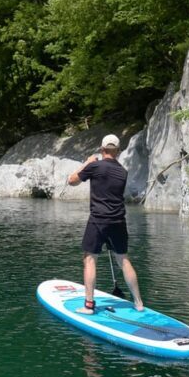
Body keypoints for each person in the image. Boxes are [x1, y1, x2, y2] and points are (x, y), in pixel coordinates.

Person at [67, 134, 144, 314]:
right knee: (123, 259)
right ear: (117, 151)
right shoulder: (122, 172)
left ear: (102, 150)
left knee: (90, 259)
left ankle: (88, 306)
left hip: (98, 220)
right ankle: (139, 303)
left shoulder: (95, 166)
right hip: (118, 221)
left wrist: (87, 162)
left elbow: (71, 181)